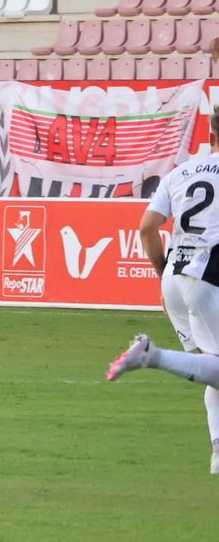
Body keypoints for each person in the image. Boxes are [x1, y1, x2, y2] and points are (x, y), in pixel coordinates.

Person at [107, 112, 219, 475]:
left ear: (211, 132)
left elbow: (147, 228)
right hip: (210, 274)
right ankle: (151, 356)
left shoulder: (181, 172)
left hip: (174, 275)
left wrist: (163, 274)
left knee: (213, 365)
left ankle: (218, 452)